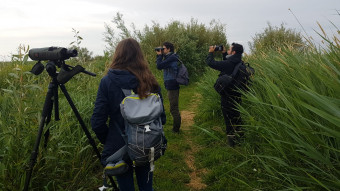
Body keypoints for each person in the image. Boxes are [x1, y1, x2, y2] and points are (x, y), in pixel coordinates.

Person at [91, 38, 166, 191]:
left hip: (119, 145)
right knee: (146, 187)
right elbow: (161, 116)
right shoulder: (149, 80)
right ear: (139, 56)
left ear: (117, 55)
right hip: (147, 141)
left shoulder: (107, 81)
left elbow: (97, 122)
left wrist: (110, 139)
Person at [206, 43, 244, 147]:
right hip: (237, 94)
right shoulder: (239, 62)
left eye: (229, 49)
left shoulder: (230, 63)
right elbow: (227, 66)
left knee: (228, 118)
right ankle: (240, 138)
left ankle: (232, 143)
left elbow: (211, 63)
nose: (228, 50)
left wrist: (210, 53)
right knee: (236, 116)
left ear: (234, 52)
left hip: (228, 95)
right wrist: (224, 54)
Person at [155, 42, 181, 133]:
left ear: (169, 49)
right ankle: (176, 127)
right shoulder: (170, 57)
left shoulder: (172, 58)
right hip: (171, 84)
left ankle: (176, 129)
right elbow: (161, 64)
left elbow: (159, 66)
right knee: (173, 107)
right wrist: (161, 55)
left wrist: (159, 56)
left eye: (164, 48)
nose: (162, 50)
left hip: (173, 85)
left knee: (173, 108)